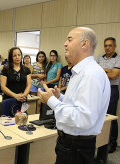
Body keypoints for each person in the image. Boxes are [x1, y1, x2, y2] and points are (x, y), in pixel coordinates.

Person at [38, 27, 110, 164]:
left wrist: (51, 101)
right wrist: (60, 98)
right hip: (71, 144)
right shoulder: (81, 71)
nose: (65, 43)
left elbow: (83, 118)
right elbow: (76, 105)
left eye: (70, 40)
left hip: (76, 148)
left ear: (85, 44)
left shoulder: (90, 74)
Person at [95, 37, 120, 153]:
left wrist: (101, 69)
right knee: (98, 116)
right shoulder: (99, 58)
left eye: (110, 45)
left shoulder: (118, 59)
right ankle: (99, 142)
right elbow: (94, 72)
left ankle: (112, 143)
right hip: (99, 89)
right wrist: (108, 70)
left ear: (115, 46)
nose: (107, 48)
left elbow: (114, 75)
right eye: (105, 45)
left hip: (112, 89)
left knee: (111, 117)